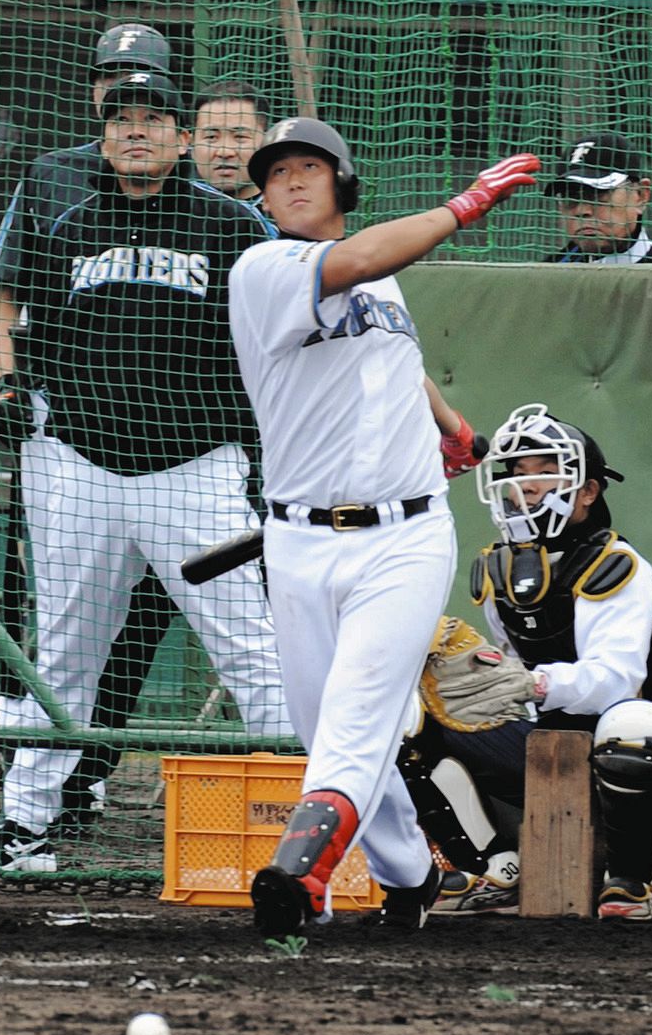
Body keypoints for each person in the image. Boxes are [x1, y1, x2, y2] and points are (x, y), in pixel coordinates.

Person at [227, 115, 540, 938]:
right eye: (276, 173)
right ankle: (408, 876)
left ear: (343, 183)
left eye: (309, 167)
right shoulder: (262, 268)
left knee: (360, 715)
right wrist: (466, 204)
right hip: (296, 542)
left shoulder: (382, 285)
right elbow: (362, 256)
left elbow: (398, 359)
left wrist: (450, 426)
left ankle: (299, 878)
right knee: (327, 731)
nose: (290, 181)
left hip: (404, 536)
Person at [0, 71, 290, 871]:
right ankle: (25, 825)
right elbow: (13, 309)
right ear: (104, 135)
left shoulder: (234, 229)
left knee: (250, 647)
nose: (136, 132)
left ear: (183, 139)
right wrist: (9, 386)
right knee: (67, 651)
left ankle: (303, 823)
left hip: (195, 469)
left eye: (154, 119)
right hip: (77, 465)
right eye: (122, 120)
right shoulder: (66, 213)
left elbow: (275, 346)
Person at [0, 24, 188, 832]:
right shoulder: (53, 174)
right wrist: (5, 385)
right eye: (112, 80)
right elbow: (7, 293)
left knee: (148, 614)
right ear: (94, 93)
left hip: (176, 447)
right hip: (60, 431)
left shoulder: (189, 186)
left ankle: (88, 769)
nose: (124, 94)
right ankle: (39, 786)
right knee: (53, 610)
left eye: (142, 81)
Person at [399, 403, 652, 921]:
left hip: (639, 759)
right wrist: (485, 679)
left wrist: (528, 684)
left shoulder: (618, 567)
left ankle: (631, 880)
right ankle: (494, 868)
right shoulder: (498, 568)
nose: (527, 486)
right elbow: (509, 672)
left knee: (634, 723)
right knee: (408, 720)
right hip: (546, 740)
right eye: (517, 473)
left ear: (588, 491)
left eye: (546, 472)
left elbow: (614, 684)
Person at [543, 132, 652, 264]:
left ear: (641, 195)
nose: (582, 210)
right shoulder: (550, 271)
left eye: (599, 193)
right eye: (571, 197)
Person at [190, 79, 269, 204]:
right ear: (191, 143)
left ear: (267, 143)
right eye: (211, 137)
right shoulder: (172, 208)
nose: (225, 152)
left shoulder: (289, 214)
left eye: (240, 137)